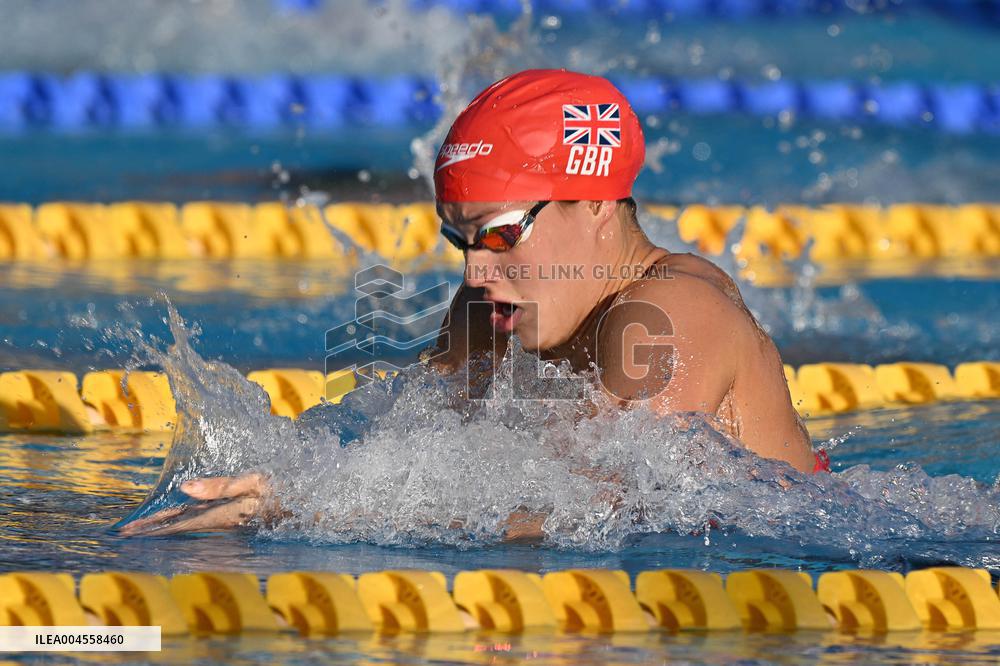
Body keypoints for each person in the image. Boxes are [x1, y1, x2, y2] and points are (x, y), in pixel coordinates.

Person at [121, 69, 824, 538]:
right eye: (460, 240)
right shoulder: (495, 298)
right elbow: (400, 432)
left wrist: (316, 507)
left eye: (499, 232)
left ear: (597, 205)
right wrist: (272, 477)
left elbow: (600, 511)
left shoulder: (678, 313)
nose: (477, 269)